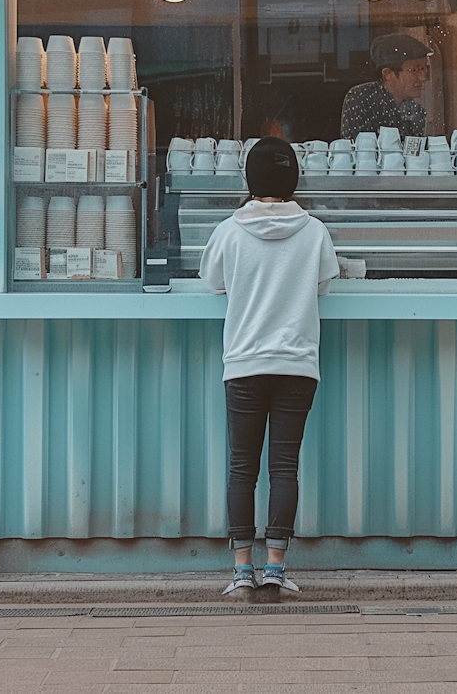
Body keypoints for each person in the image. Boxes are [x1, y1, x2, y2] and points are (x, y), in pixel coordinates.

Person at [199, 136, 339, 599]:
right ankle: (276, 568)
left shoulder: (229, 231)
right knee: (284, 467)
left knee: (243, 468)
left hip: (244, 362)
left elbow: (212, 283)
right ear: (293, 179)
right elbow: (325, 279)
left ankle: (242, 572)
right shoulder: (314, 230)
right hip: (298, 363)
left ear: (250, 180)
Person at [339, 33, 433, 139]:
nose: (423, 78)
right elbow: (356, 149)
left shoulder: (416, 110)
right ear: (388, 74)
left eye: (424, 68)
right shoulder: (361, 98)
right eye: (415, 70)